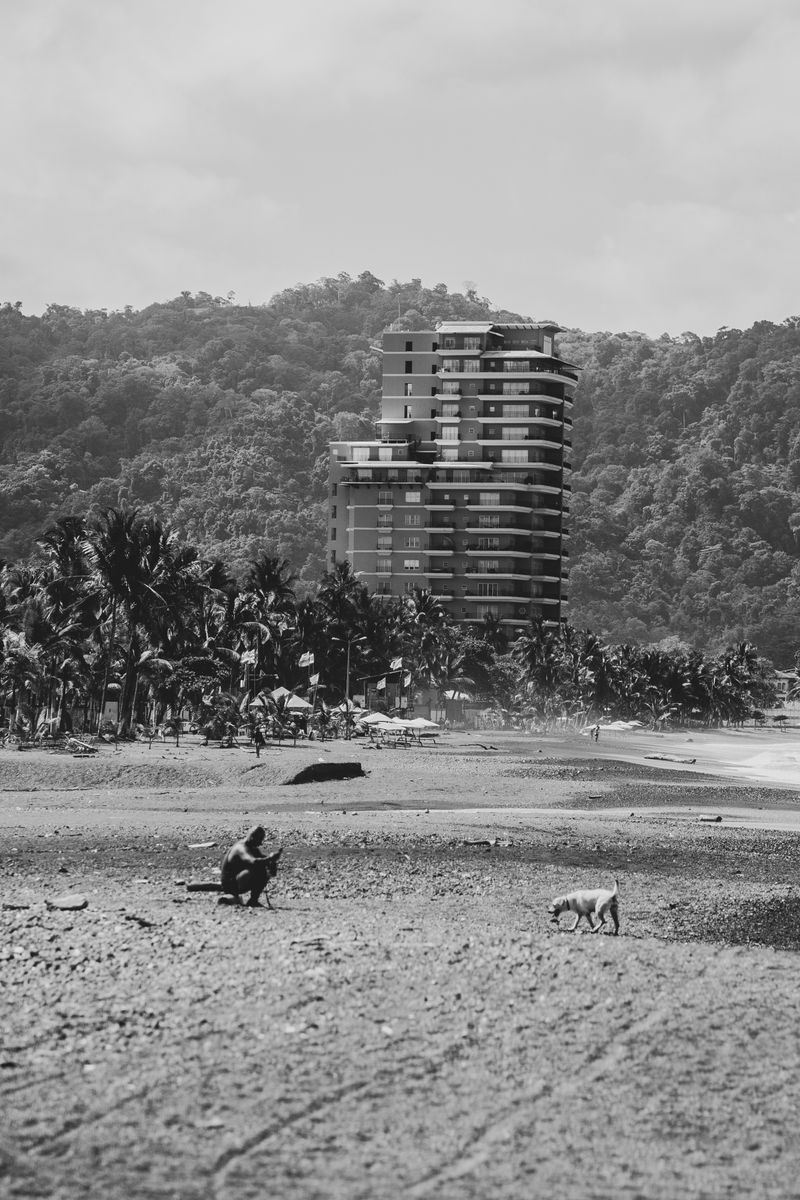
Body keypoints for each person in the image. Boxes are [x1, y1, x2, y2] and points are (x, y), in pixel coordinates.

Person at [219, 826, 282, 908]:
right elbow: (253, 861)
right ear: (252, 838)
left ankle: (253, 900)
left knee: (262, 867)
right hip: (230, 884)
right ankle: (251, 900)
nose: (260, 843)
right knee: (258, 868)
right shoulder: (241, 848)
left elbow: (266, 865)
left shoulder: (253, 849)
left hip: (239, 880)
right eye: (259, 840)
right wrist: (270, 858)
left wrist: (272, 862)